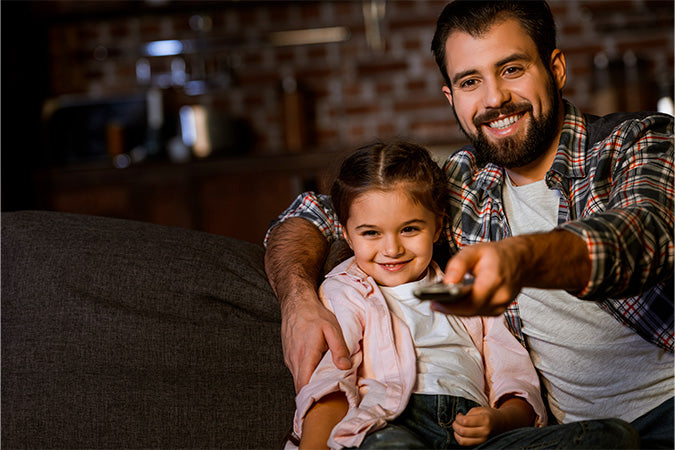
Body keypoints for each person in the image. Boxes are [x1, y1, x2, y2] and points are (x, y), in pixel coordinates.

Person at [265, 1, 673, 448]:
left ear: (555, 69)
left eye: (512, 69)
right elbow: (322, 211)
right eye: (470, 81)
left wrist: (522, 257)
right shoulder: (463, 183)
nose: (494, 98)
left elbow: (641, 236)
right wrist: (299, 298)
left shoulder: (639, 141)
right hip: (567, 436)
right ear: (451, 97)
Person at [290, 141, 546, 449]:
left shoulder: (466, 288)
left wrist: (500, 419)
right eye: (371, 233)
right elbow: (332, 379)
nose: (392, 249)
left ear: (437, 227)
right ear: (346, 234)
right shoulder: (345, 290)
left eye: (410, 229)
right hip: (391, 423)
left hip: (474, 429)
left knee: (608, 435)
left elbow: (512, 373)